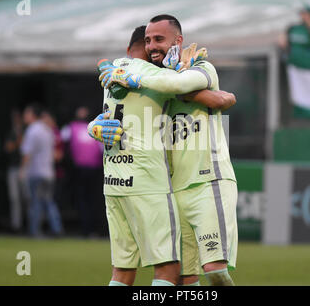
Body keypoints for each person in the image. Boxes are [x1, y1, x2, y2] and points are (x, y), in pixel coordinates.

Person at [97, 15, 238, 286]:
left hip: (209, 182)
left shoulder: (201, 67)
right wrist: (95, 124)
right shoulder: (155, 84)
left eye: (158, 39)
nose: (152, 46)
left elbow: (201, 92)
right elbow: (119, 111)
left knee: (216, 271)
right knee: (186, 279)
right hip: (173, 189)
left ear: (178, 40)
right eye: (148, 40)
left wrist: (134, 76)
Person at [20, 103, 63, 238]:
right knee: (49, 202)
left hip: (36, 172)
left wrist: (22, 170)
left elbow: (27, 153)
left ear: (32, 115)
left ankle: (35, 231)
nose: (24, 116)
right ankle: (57, 229)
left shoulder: (32, 130)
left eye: (26, 113)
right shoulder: (47, 129)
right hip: (48, 172)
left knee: (36, 203)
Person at [61, 106, 105, 237]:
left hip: (92, 168)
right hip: (81, 169)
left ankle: (92, 229)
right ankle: (86, 229)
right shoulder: (72, 127)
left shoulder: (93, 127)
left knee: (90, 199)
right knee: (84, 199)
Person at [4, 109, 28, 234]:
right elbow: (7, 148)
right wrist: (17, 142)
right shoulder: (11, 133)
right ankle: (16, 226)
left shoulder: (28, 131)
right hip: (13, 168)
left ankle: (27, 224)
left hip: (25, 169)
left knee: (26, 198)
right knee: (14, 198)